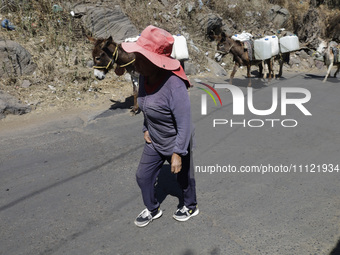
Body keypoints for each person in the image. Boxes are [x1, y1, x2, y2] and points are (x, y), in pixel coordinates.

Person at [122, 25, 199, 227]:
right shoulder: (143, 77)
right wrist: (145, 128)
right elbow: (146, 107)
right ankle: (152, 209)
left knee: (183, 181)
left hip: (176, 142)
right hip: (154, 140)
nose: (136, 63)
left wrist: (177, 153)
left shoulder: (174, 84)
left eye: (141, 58)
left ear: (157, 62)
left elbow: (185, 123)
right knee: (143, 176)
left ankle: (191, 206)